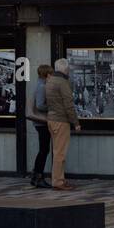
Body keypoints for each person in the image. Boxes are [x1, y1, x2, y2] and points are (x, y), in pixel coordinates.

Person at [45, 58, 81, 190]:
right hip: (61, 121)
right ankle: (58, 182)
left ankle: (58, 179)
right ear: (65, 69)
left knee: (57, 151)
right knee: (60, 153)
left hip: (51, 119)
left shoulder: (50, 81)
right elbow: (69, 105)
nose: (68, 71)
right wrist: (76, 123)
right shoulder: (62, 82)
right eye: (68, 69)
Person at [27, 64, 52, 188]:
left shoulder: (38, 85)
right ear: (47, 74)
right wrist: (53, 106)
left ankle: (36, 175)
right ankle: (38, 176)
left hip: (40, 122)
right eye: (51, 74)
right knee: (44, 150)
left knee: (43, 149)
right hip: (42, 122)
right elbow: (40, 105)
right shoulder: (42, 86)